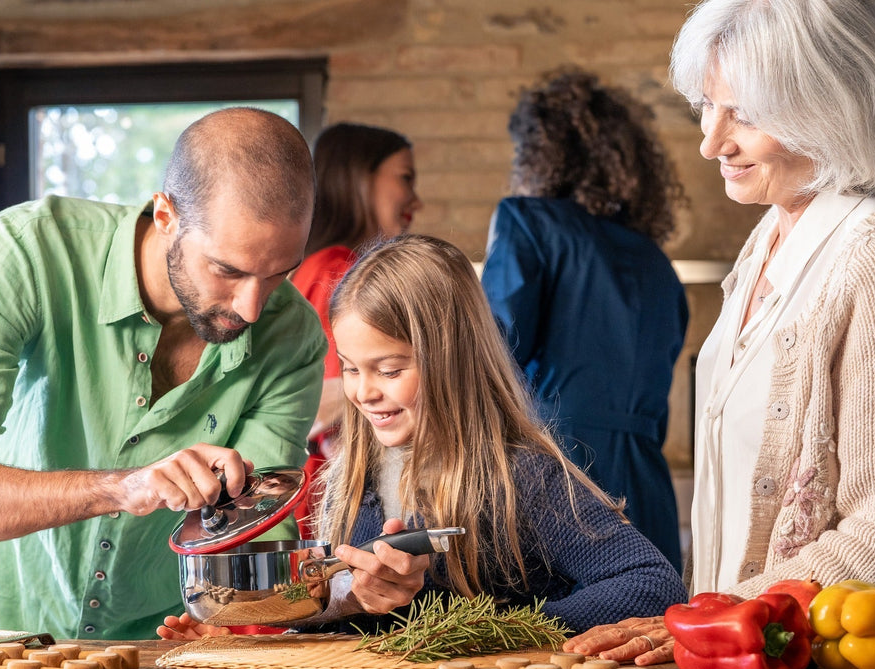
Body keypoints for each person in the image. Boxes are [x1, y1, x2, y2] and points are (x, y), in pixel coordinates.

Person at [0, 107, 329, 640]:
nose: (254, 308)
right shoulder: (27, 250)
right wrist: (123, 488)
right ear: (165, 215)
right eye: (227, 270)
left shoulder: (294, 336)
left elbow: (254, 529)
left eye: (281, 273)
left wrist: (245, 616)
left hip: (153, 641)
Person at [565, 0, 875, 665]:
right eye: (708, 107)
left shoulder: (872, 258)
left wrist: (711, 617)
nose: (711, 142)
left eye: (742, 113)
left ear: (826, 107)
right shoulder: (767, 238)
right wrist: (702, 621)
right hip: (738, 664)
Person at [160, 234, 687, 640]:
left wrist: (486, 634)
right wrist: (247, 633)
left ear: (453, 361)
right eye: (349, 368)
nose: (363, 393)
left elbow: (649, 581)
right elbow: (356, 625)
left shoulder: (521, 476)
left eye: (389, 370)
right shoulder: (353, 483)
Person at [480, 69, 688, 571]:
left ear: (537, 155)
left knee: (543, 642)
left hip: (559, 470)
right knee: (647, 636)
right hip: (647, 482)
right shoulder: (656, 261)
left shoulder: (528, 221)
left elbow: (491, 350)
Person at [289, 122, 422, 532]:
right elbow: (320, 407)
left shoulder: (318, 266)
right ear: (359, 179)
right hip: (331, 506)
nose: (416, 199)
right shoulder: (341, 273)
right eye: (405, 178)